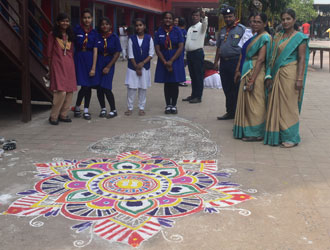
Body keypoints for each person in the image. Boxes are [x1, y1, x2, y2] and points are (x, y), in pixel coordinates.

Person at [264, 9, 309, 148]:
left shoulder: (300, 37)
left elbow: (302, 59)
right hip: (277, 74)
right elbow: (271, 58)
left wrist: (299, 79)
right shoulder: (278, 36)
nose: (285, 22)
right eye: (283, 19)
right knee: (276, 103)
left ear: (294, 20)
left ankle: (291, 137)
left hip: (291, 74)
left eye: (288, 19)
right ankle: (277, 135)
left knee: (289, 105)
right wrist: (269, 74)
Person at [233, 13, 271, 141]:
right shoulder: (255, 36)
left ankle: (257, 133)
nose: (254, 24)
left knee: (256, 103)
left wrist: (252, 80)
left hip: (256, 72)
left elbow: (260, 60)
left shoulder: (265, 37)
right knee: (249, 103)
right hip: (247, 69)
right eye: (253, 21)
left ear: (265, 24)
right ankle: (248, 129)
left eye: (258, 22)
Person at [214, 6, 245, 120]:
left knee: (236, 88)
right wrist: (215, 61)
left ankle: (237, 113)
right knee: (226, 88)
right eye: (226, 17)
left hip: (235, 62)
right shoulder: (222, 30)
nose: (228, 19)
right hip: (224, 63)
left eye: (230, 16)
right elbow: (219, 47)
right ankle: (230, 112)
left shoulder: (242, 29)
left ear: (234, 16)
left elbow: (245, 48)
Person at [47, 13, 77, 125]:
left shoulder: (70, 34)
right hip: (57, 64)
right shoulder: (52, 34)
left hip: (69, 64)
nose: (65, 23)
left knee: (70, 90)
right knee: (61, 91)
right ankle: (53, 116)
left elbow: (71, 51)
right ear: (58, 22)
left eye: (67, 21)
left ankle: (63, 114)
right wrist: (50, 68)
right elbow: (49, 53)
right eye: (63, 21)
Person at [154, 12, 185, 115]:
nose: (168, 20)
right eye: (166, 18)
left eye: (170, 18)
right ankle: (168, 105)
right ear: (163, 19)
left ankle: (174, 105)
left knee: (174, 83)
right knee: (167, 83)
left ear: (173, 20)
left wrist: (171, 61)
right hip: (164, 58)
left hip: (175, 58)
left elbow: (181, 46)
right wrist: (164, 61)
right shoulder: (159, 31)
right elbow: (157, 48)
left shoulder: (177, 31)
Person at [124, 18, 154, 116]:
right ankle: (130, 107)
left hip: (145, 67)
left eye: (140, 25)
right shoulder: (131, 38)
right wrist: (137, 67)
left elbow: (151, 54)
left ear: (144, 26)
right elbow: (130, 54)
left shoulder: (149, 38)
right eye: (137, 25)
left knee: (143, 88)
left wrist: (142, 64)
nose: (138, 27)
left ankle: (141, 107)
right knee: (131, 89)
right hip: (133, 67)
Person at [73, 9, 98, 120]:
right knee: (84, 85)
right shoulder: (76, 30)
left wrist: (93, 66)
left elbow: (95, 50)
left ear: (92, 19)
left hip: (89, 58)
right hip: (79, 58)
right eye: (84, 18)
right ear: (81, 19)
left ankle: (84, 109)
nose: (87, 20)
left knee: (87, 86)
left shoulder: (94, 33)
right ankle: (78, 106)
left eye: (89, 17)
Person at [96, 17, 121, 119]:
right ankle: (103, 108)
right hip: (99, 62)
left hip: (109, 62)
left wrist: (109, 66)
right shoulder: (97, 36)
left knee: (106, 87)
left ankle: (113, 109)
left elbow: (117, 52)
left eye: (106, 24)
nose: (104, 26)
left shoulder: (114, 37)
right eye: (102, 24)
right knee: (99, 88)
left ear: (110, 26)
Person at [182, 9, 208, 103]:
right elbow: (187, 43)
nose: (194, 17)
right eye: (193, 15)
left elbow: (205, 24)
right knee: (193, 75)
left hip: (197, 54)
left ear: (199, 17)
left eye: (197, 15)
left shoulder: (202, 26)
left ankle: (198, 96)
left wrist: (204, 17)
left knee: (198, 75)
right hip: (190, 54)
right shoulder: (190, 28)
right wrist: (185, 56)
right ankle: (193, 95)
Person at [178, 17, 188, 87]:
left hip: (176, 51)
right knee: (182, 66)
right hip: (182, 51)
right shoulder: (184, 32)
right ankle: (181, 81)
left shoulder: (176, 31)